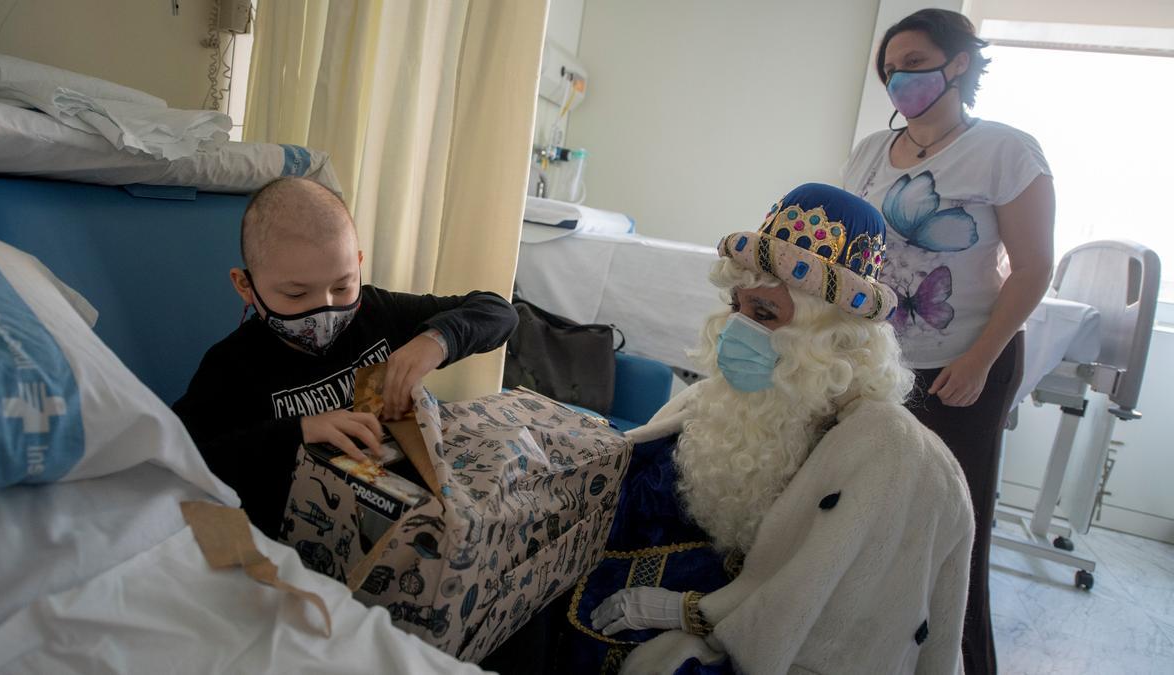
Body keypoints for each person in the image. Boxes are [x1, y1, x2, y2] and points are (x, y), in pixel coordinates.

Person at [559, 183, 974, 675]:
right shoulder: (729, 399)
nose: (738, 329)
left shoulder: (892, 452)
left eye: (765, 314)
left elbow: (842, 627)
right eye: (739, 305)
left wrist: (690, 613)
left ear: (830, 336)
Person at [841, 9, 1055, 674]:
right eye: (889, 70)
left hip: (962, 361)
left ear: (958, 62)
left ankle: (967, 659)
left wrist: (979, 359)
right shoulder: (871, 151)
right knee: (866, 509)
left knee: (955, 524)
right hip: (876, 365)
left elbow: (1034, 265)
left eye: (911, 62)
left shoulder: (1006, 150)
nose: (897, 78)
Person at [173, 177, 517, 540]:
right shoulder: (232, 365)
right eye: (296, 293)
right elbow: (182, 457)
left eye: (342, 286)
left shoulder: (378, 313)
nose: (327, 309)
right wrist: (299, 431)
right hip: (299, 534)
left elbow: (499, 313)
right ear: (245, 285)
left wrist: (436, 340)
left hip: (404, 512)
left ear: (358, 263)